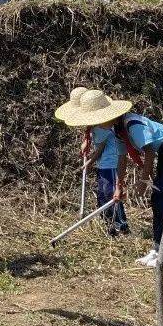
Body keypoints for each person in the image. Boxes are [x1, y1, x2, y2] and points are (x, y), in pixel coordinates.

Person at [55, 87, 129, 237]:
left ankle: (121, 227)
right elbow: (91, 138)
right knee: (103, 195)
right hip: (104, 164)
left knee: (110, 195)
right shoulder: (94, 125)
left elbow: (100, 147)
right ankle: (108, 225)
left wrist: (90, 161)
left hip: (111, 164)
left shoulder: (103, 124)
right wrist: (86, 142)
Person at [121, 108, 163, 267]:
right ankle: (158, 248)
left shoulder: (132, 125)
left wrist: (144, 181)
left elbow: (149, 152)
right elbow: (123, 158)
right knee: (158, 199)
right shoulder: (119, 130)